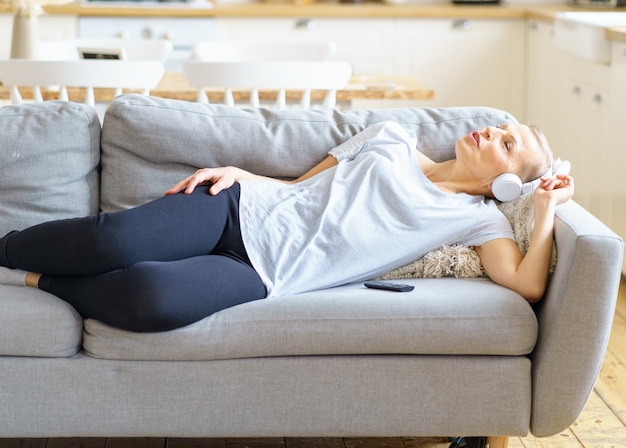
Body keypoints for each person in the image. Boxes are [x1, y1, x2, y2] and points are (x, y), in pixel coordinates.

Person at [0, 121, 574, 332]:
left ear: (506, 187)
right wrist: (239, 174)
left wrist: (543, 209)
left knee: (153, 300)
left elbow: (525, 284)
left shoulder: (478, 220)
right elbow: (303, 185)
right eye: (500, 127)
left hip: (265, 272)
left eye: (507, 145)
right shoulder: (390, 137)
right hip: (237, 209)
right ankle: (5, 252)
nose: (490, 133)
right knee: (113, 240)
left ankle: (34, 281)